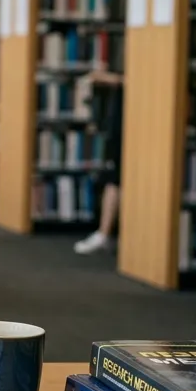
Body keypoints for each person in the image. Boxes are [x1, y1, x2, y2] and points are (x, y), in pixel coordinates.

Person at [75, 70, 124, 254]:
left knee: (116, 179)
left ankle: (105, 233)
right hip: (117, 120)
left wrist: (113, 79)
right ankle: (104, 232)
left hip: (128, 121)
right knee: (113, 178)